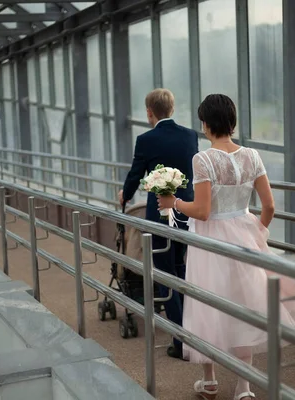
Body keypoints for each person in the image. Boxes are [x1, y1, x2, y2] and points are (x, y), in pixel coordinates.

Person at [157, 94, 295, 400]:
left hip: (212, 239)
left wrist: (173, 202)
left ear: (206, 123)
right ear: (231, 121)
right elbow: (269, 206)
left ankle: (210, 380)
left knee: (208, 303)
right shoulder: (252, 156)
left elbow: (202, 211)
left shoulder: (203, 159)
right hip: (244, 234)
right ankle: (243, 388)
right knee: (245, 306)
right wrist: (257, 231)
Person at [119, 88, 199, 360]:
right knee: (182, 270)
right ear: (172, 110)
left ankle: (181, 340)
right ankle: (193, 331)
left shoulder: (145, 140)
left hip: (160, 217)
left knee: (165, 276)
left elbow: (135, 174)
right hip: (186, 213)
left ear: (150, 112)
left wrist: (125, 195)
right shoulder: (190, 136)